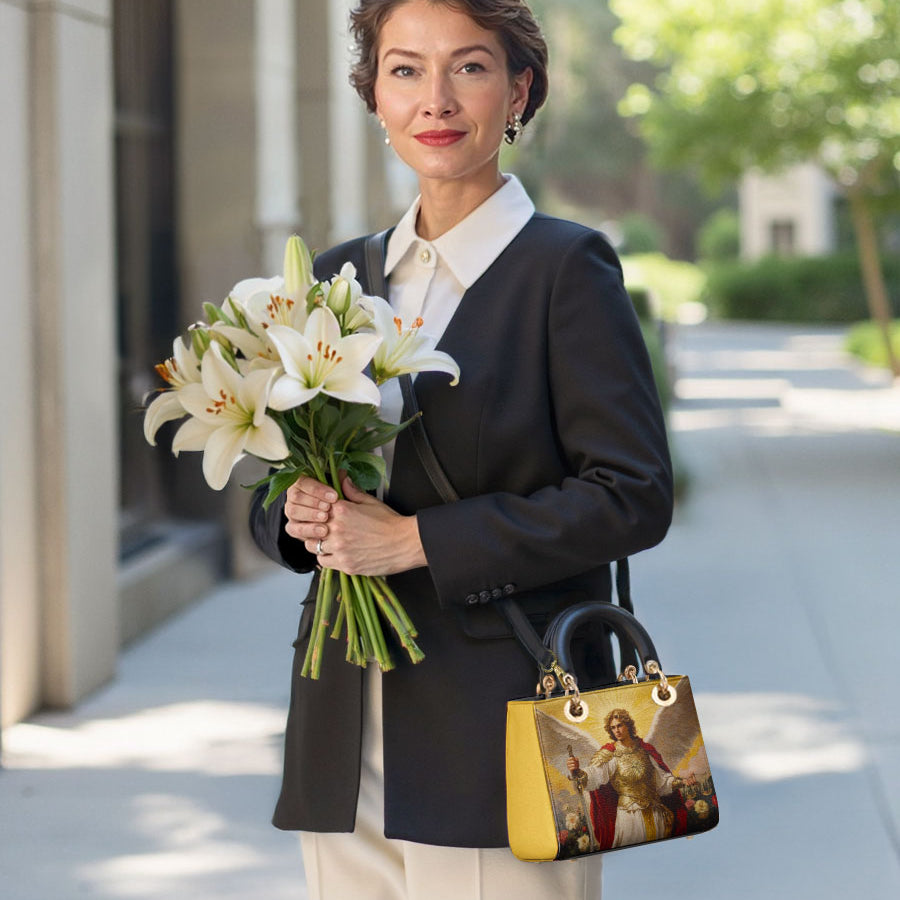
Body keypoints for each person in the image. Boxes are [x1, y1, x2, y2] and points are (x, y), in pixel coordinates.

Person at [249, 1, 673, 897]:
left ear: (519, 90)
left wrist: (416, 543)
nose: (435, 98)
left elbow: (632, 494)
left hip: (501, 728)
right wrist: (298, 516)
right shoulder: (337, 276)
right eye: (405, 70)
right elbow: (277, 477)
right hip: (341, 726)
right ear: (374, 97)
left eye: (468, 67)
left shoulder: (566, 269)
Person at [566, 709, 693, 851]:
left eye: (620, 725)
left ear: (628, 725)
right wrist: (577, 771)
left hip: (655, 811)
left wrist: (682, 782)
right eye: (613, 727)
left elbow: (662, 783)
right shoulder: (610, 754)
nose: (617, 730)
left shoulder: (645, 750)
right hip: (629, 815)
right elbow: (594, 775)